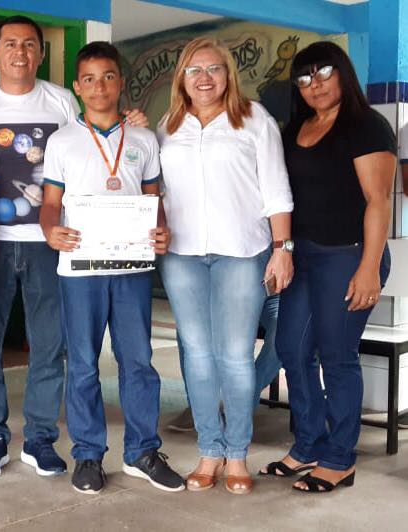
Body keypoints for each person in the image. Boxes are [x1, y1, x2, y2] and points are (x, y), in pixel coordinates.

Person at [40, 41, 185, 495]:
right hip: (79, 268)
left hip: (131, 267)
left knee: (137, 360)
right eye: (89, 78)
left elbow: (152, 199)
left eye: (108, 76)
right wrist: (50, 231)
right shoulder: (62, 141)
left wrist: (159, 230)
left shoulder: (142, 139)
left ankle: (143, 450)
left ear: (121, 83)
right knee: (82, 364)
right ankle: (87, 454)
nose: (99, 85)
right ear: (77, 87)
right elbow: (49, 205)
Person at [157, 36, 294, 495]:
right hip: (183, 255)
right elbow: (154, 187)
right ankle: (209, 450)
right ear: (182, 77)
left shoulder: (255, 119)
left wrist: (282, 247)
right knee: (197, 356)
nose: (204, 78)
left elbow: (276, 189)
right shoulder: (168, 125)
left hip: (242, 252)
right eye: (194, 70)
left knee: (235, 358)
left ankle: (237, 453)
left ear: (228, 74)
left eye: (213, 69)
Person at [264, 41, 395, 493]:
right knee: (292, 351)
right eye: (303, 79)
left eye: (322, 73)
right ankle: (308, 445)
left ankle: (339, 458)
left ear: (342, 73)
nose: (313, 85)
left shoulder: (366, 125)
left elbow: (379, 201)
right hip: (306, 256)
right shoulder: (292, 130)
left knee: (337, 357)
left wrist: (369, 267)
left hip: (351, 255)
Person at [0, 15, 78, 479]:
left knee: (49, 343)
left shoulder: (63, 102)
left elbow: (87, 151)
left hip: (47, 242)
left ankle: (40, 438)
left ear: (41, 53)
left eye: (30, 45)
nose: (20, 52)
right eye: (10, 44)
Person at [167, 294, 282, 432]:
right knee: (188, 322)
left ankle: (245, 401)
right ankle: (197, 405)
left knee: (283, 332)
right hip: (228, 292)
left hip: (274, 296)